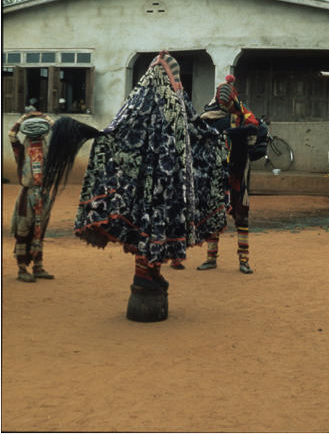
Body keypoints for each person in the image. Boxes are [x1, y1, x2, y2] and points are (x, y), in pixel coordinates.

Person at [43, 51, 230, 321]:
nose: (178, 84)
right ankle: (148, 276)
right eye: (175, 78)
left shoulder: (137, 108)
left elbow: (117, 134)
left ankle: (148, 275)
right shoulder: (171, 109)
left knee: (144, 232)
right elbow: (193, 135)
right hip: (162, 194)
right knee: (152, 231)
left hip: (143, 200)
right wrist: (213, 138)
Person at [171, 75, 259, 274]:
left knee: (241, 216)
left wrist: (234, 134)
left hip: (236, 174)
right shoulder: (208, 119)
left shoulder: (240, 118)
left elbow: (255, 130)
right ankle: (214, 258)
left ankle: (242, 260)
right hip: (217, 175)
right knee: (214, 215)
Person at [8, 109, 55, 282]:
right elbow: (12, 134)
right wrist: (24, 118)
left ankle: (38, 267)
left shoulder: (49, 150)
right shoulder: (21, 151)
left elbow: (58, 133)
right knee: (23, 230)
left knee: (40, 230)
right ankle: (21, 269)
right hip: (27, 195)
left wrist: (46, 118)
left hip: (42, 195)